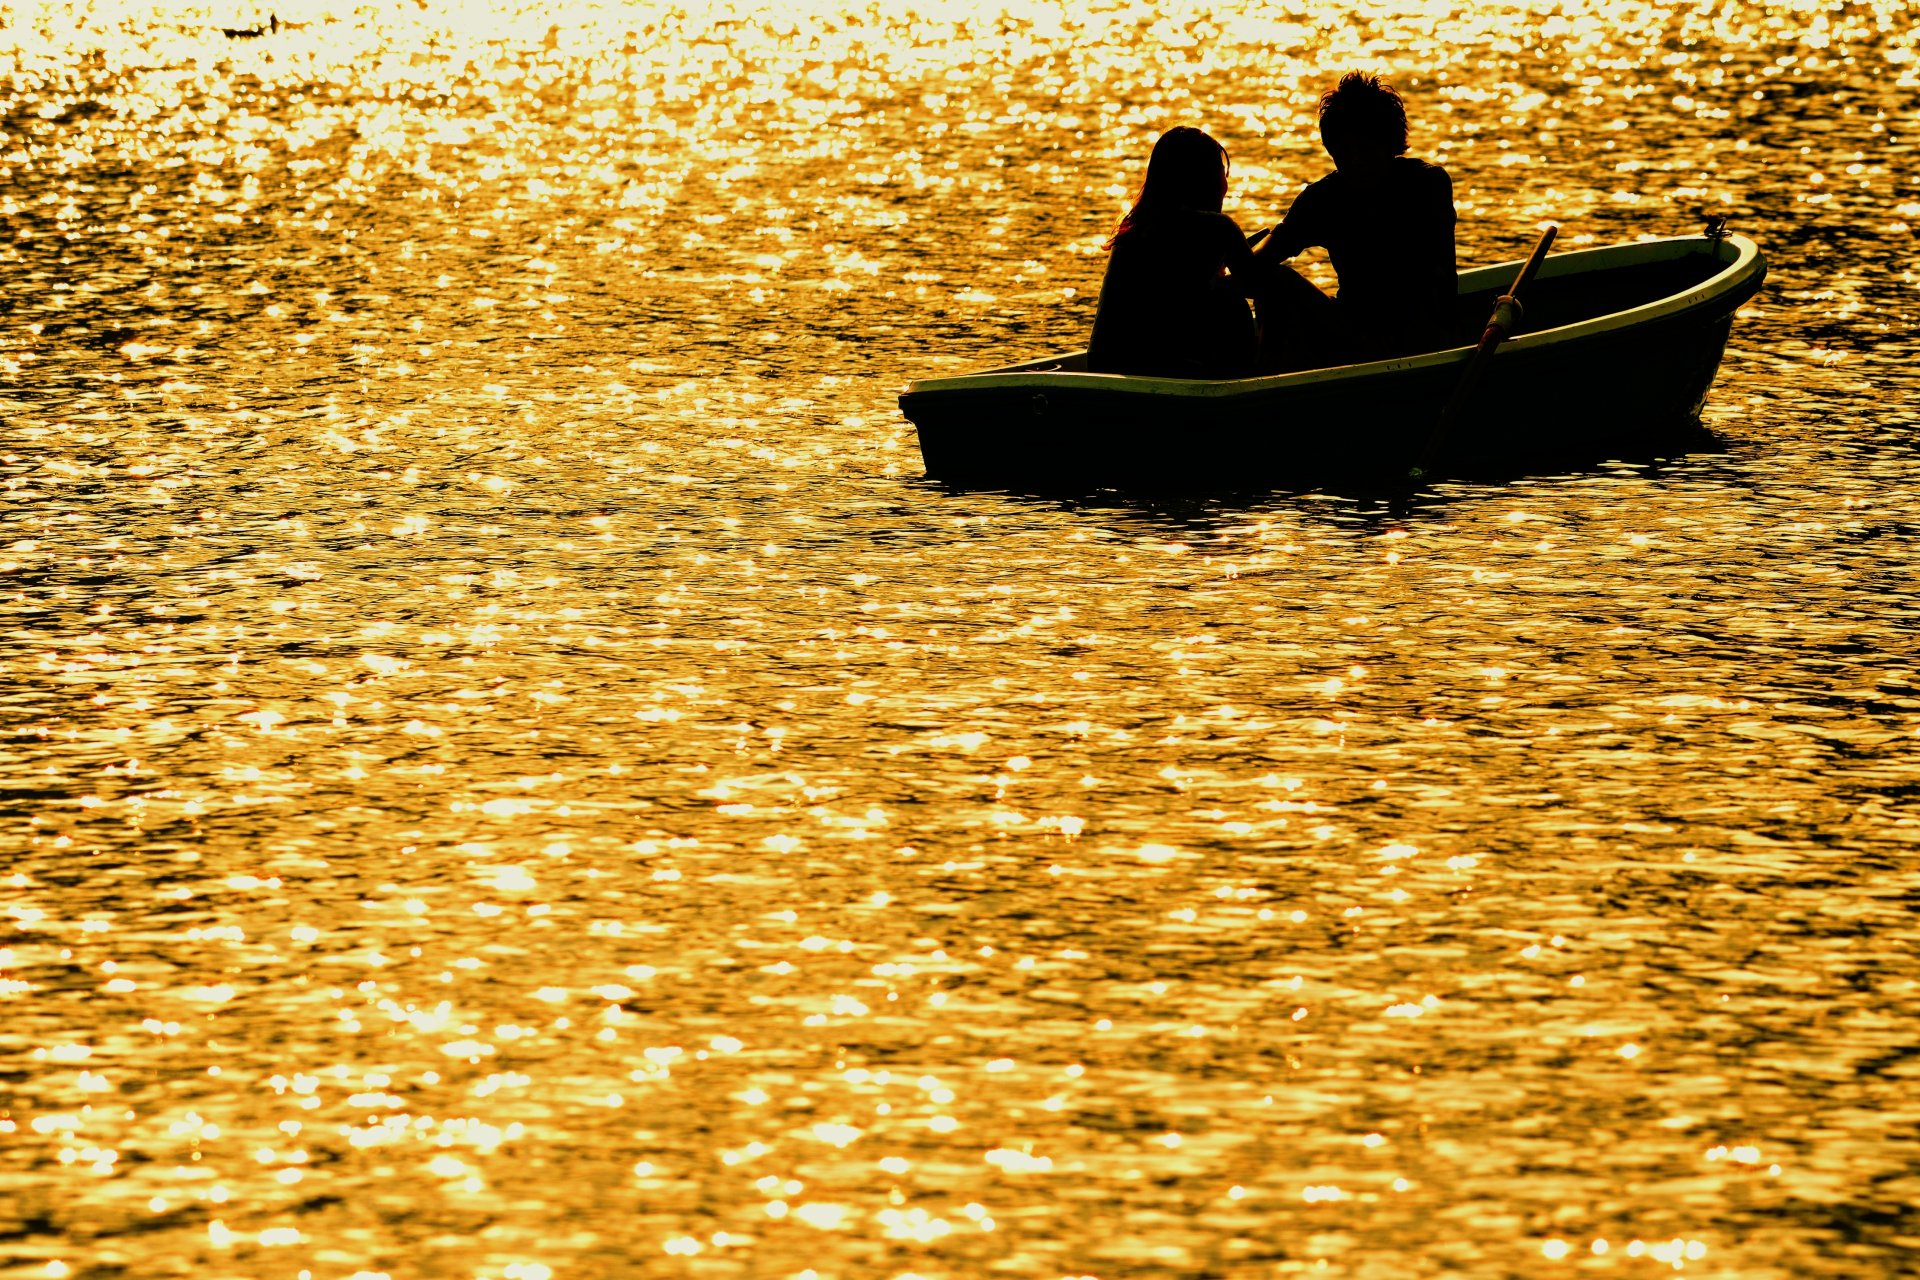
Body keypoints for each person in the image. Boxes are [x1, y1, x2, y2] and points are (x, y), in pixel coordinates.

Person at [1252, 73, 1458, 366]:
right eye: (1344, 152)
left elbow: (1441, 291)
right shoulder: (1322, 198)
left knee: (1279, 281)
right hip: (1352, 334)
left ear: (1389, 144)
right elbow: (1260, 262)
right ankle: (1263, 380)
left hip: (1421, 340)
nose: (1355, 162)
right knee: (1270, 281)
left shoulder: (1427, 185)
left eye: (1366, 149)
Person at [1086, 126, 1264, 378]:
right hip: (1168, 369)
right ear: (1209, 181)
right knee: (1232, 301)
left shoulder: (1133, 230)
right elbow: (1259, 285)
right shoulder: (1219, 229)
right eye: (1221, 173)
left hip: (1104, 366)